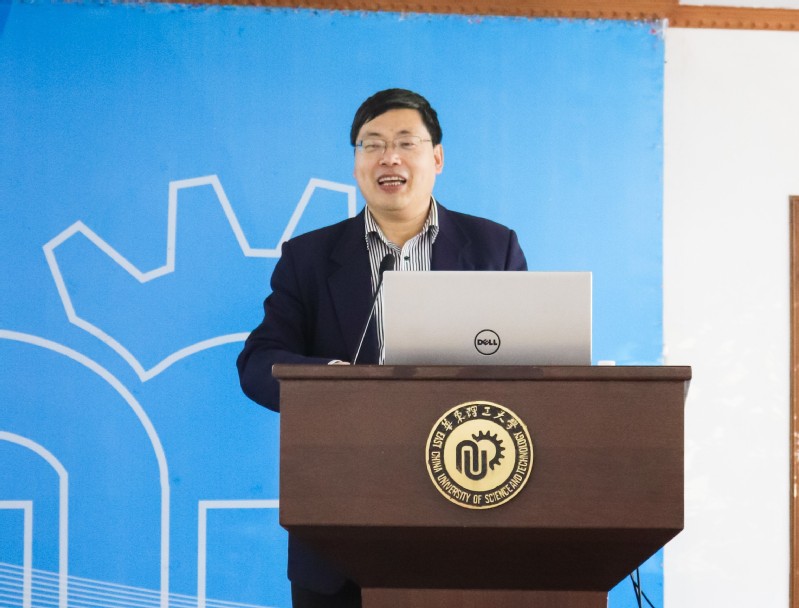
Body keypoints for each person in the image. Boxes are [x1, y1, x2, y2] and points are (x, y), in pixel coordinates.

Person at [236, 88, 527, 608]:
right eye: (371, 144)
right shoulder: (309, 257)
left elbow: (533, 367)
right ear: (356, 164)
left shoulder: (492, 248)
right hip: (340, 531)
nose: (388, 157)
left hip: (469, 508)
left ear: (437, 157)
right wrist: (331, 380)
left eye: (405, 143)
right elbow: (259, 362)